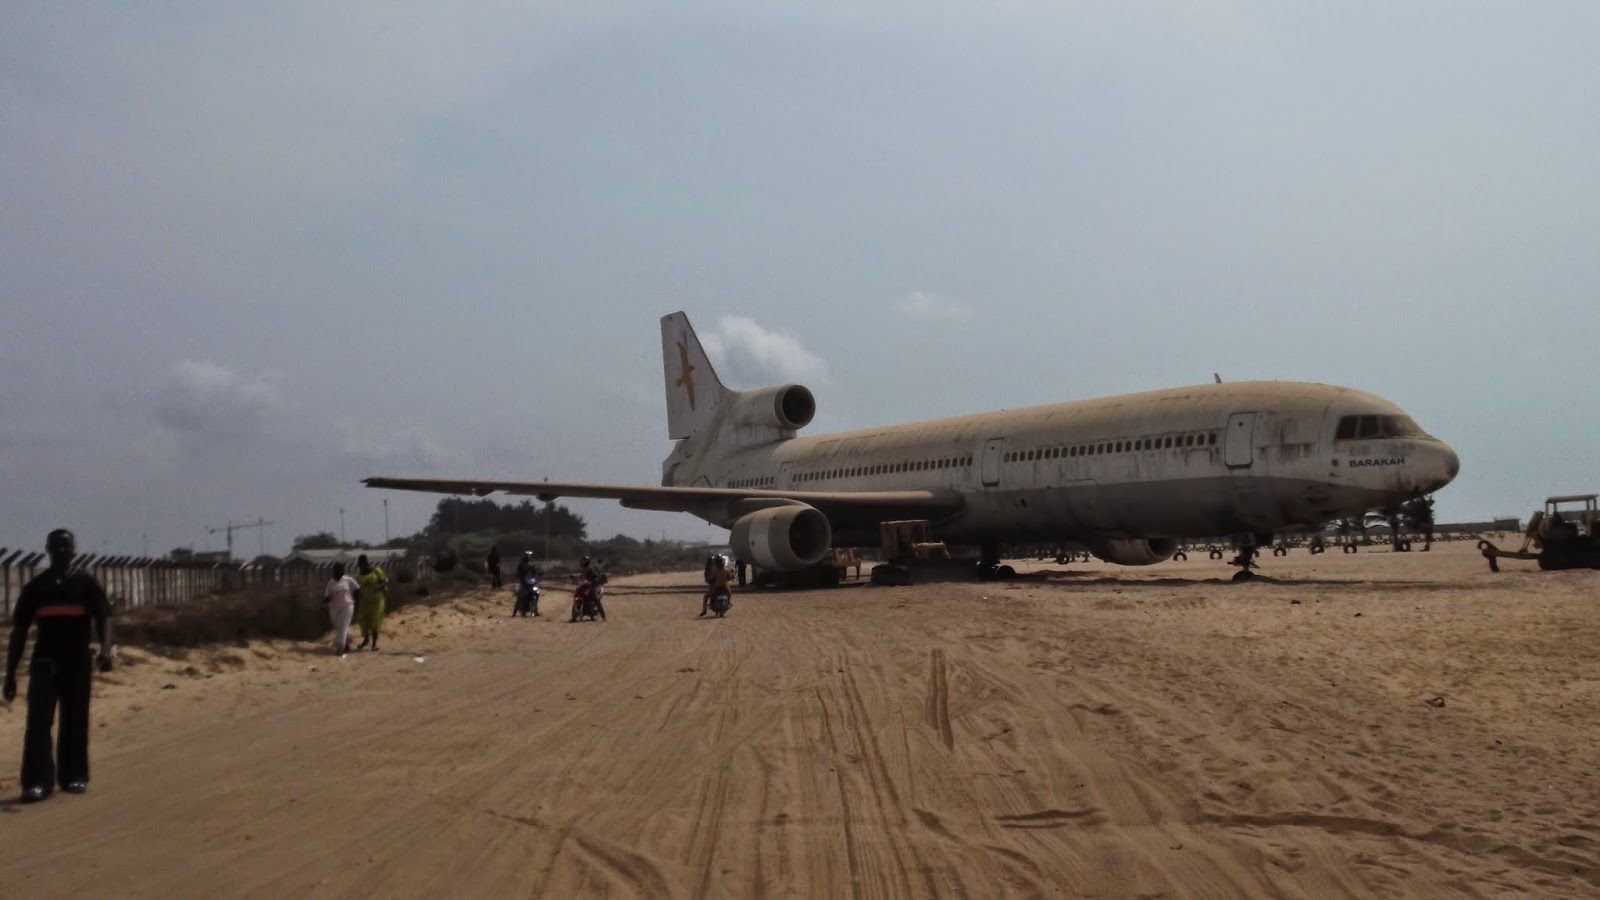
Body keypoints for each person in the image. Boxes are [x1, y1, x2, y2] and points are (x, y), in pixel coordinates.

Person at [4, 528, 114, 803]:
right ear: (48, 551)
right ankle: (37, 782)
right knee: (38, 724)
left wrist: (106, 650)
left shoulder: (85, 585)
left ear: (73, 552)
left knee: (75, 721)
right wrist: (10, 674)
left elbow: (103, 618)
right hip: (44, 664)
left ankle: (74, 776)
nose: (62, 554)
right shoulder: (35, 588)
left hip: (77, 662)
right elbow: (19, 632)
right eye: (57, 549)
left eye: (66, 549)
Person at [354, 554, 389, 651]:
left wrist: (379, 587)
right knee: (363, 621)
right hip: (364, 601)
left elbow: (385, 581)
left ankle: (374, 644)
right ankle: (366, 640)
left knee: (375, 621)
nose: (361, 567)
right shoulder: (359, 574)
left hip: (376, 600)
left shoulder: (376, 570)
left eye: (362, 564)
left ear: (365, 563)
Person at [324, 562, 358, 656]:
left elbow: (357, 589)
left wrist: (356, 601)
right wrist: (329, 598)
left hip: (347, 606)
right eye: (339, 570)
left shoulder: (348, 580)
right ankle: (346, 643)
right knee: (338, 627)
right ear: (334, 571)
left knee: (343, 627)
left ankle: (340, 648)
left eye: (342, 570)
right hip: (334, 608)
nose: (341, 572)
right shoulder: (330, 583)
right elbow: (325, 598)